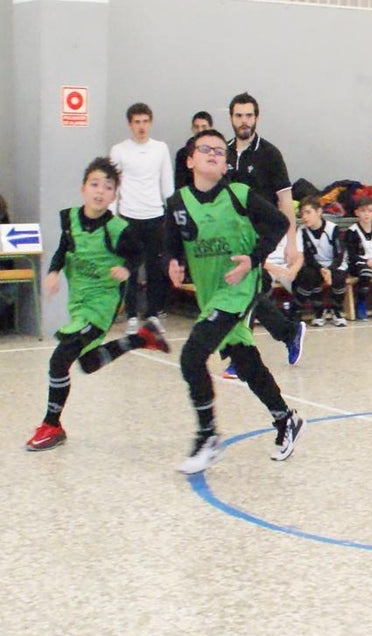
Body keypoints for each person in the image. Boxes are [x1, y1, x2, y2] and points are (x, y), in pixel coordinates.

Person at [165, 129, 304, 474]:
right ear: (190, 159)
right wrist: (173, 260)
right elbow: (172, 238)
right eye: (205, 149)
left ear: (226, 164)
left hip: (240, 287)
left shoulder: (240, 194)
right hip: (211, 292)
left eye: (218, 151)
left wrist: (254, 258)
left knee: (191, 356)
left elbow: (280, 221)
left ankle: (208, 436)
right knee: (244, 360)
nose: (213, 154)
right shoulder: (178, 202)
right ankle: (286, 418)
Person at [25, 157, 170, 451]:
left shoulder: (118, 229)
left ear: (114, 195)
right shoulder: (71, 221)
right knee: (88, 363)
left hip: (102, 304)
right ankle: (141, 339)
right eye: (94, 184)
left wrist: (127, 269)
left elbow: (138, 253)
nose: (100, 191)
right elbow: (63, 250)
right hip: (79, 303)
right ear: (83, 189)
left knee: (59, 360)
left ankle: (51, 424)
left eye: (108, 187)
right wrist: (53, 272)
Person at [223, 92, 305, 377]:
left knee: (246, 289)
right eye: (238, 115)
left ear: (256, 118)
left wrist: (292, 242)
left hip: (265, 235)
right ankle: (288, 331)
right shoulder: (225, 152)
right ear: (231, 118)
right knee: (247, 291)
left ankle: (240, 356)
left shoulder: (270, 154)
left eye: (248, 115)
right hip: (235, 235)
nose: (243, 121)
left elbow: (285, 200)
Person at [109, 102, 174, 332]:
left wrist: (172, 212)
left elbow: (167, 182)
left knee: (156, 267)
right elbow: (113, 186)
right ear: (130, 124)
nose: (141, 126)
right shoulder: (119, 150)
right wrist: (113, 216)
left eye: (145, 121)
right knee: (130, 267)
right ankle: (131, 315)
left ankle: (153, 313)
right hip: (128, 216)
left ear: (150, 123)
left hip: (155, 215)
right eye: (137, 122)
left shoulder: (160, 149)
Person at [295, 195, 349, 327]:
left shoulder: (332, 228)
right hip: (315, 265)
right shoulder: (301, 231)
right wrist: (322, 269)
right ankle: (318, 311)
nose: (304, 217)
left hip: (334, 263)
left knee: (339, 277)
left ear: (319, 212)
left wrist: (330, 270)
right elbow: (307, 257)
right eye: (302, 213)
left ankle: (337, 311)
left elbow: (339, 254)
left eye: (308, 212)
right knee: (309, 275)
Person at [174, 111, 213, 190]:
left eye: (204, 127)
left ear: (211, 128)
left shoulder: (219, 153)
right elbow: (179, 183)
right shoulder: (183, 154)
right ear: (192, 128)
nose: (200, 130)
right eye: (196, 127)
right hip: (190, 198)